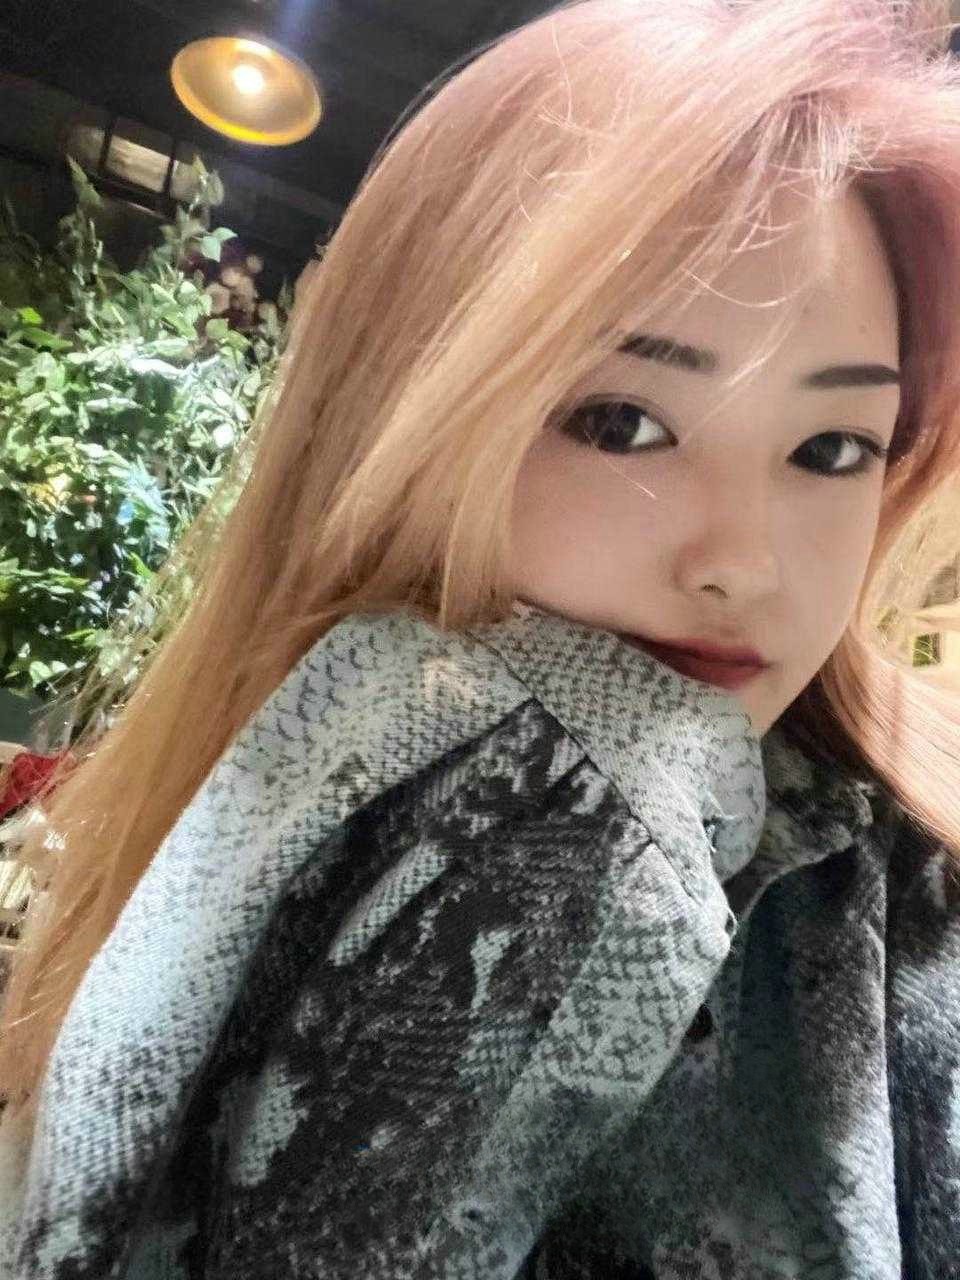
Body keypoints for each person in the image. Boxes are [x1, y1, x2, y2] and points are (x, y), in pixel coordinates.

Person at [1, 0, 960, 1274]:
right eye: (619, 424)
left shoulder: (905, 912)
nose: (743, 560)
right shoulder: (234, 854)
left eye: (832, 447)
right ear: (401, 416)